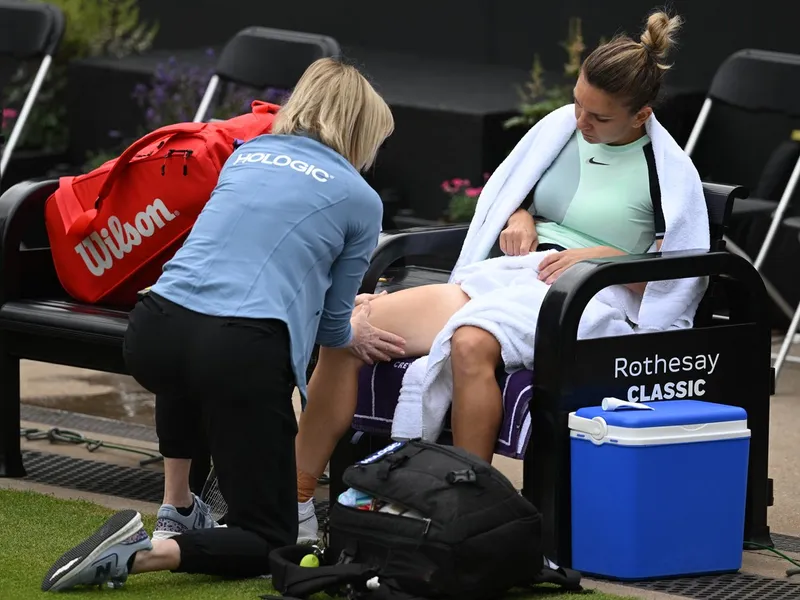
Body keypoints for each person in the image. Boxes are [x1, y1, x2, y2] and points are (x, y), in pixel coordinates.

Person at [294, 9, 702, 538]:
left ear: (641, 116)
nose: (581, 121)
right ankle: (297, 502)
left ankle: (465, 518)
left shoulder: (666, 172)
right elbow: (517, 192)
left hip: (588, 298)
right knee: (346, 334)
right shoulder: (559, 132)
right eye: (578, 103)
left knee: (469, 343)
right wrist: (519, 214)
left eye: (598, 118)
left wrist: (600, 257)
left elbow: (674, 281)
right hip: (511, 276)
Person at [41, 57, 405, 592]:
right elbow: (331, 327)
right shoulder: (360, 199)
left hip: (152, 332)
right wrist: (357, 329)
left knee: (192, 358)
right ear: (361, 132)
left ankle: (179, 506)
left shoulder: (247, 154)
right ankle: (144, 552)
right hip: (238, 351)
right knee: (270, 540)